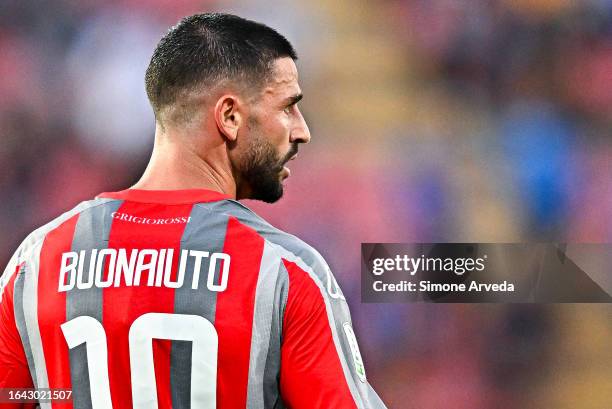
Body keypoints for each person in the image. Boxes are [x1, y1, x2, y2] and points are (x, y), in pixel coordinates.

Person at [0, 13, 387, 409]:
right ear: (230, 117)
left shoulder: (35, 263)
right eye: (288, 107)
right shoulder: (284, 272)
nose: (301, 130)